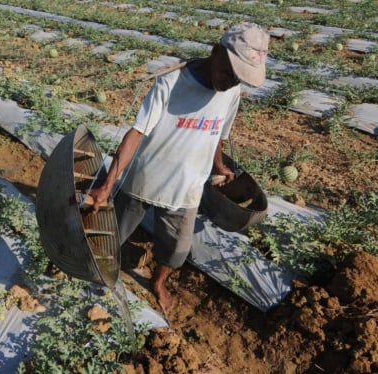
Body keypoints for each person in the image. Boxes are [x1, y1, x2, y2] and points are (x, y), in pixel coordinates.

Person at [88, 22, 270, 314]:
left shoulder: (232, 92)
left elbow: (218, 134)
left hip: (187, 189)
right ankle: (96, 269)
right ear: (216, 51)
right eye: (227, 72)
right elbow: (136, 132)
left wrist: (220, 165)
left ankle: (158, 283)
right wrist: (108, 184)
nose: (229, 82)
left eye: (238, 79)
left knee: (176, 251)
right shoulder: (172, 81)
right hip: (143, 179)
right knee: (111, 234)